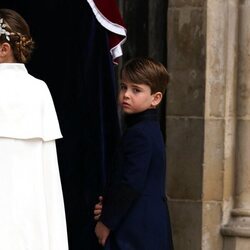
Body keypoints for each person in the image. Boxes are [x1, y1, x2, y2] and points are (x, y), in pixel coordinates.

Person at [0, 8, 68, 250]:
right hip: (32, 226)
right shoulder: (40, 90)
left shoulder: (39, 89)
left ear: (3, 49)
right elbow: (50, 183)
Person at [94, 57, 173, 249]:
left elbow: (131, 183)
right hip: (142, 224)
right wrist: (109, 205)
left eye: (136, 90)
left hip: (137, 229)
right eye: (123, 87)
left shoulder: (141, 134)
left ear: (156, 98)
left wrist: (106, 222)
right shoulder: (145, 129)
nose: (126, 94)